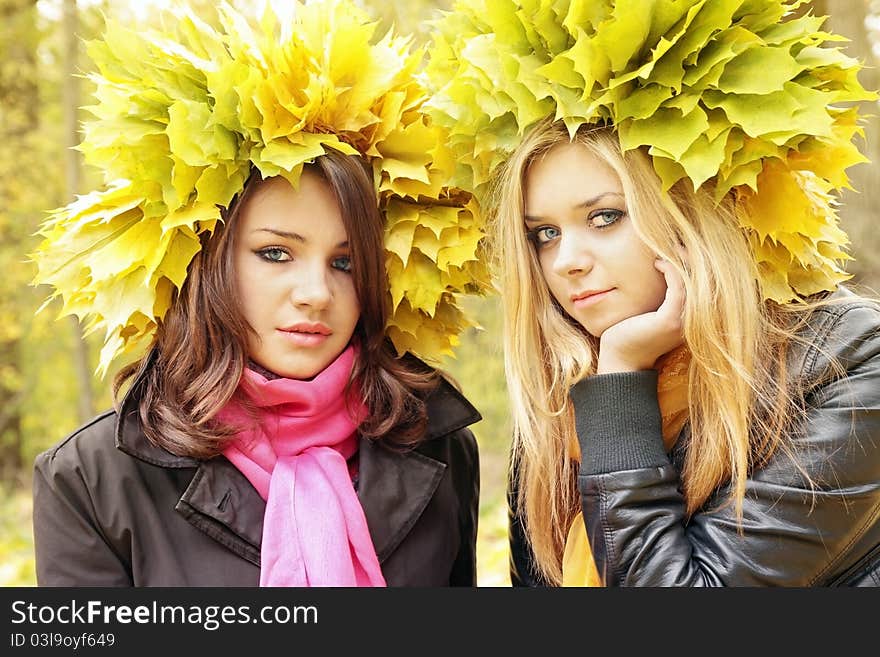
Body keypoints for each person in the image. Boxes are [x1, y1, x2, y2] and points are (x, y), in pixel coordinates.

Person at [30, 0, 486, 587]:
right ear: (204, 263)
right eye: (275, 253)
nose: (316, 293)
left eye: (345, 263)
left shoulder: (440, 451)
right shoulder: (92, 479)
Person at [425, 0, 880, 586]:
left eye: (607, 217)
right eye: (544, 233)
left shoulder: (843, 362)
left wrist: (621, 383)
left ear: (692, 213)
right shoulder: (561, 402)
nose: (566, 261)